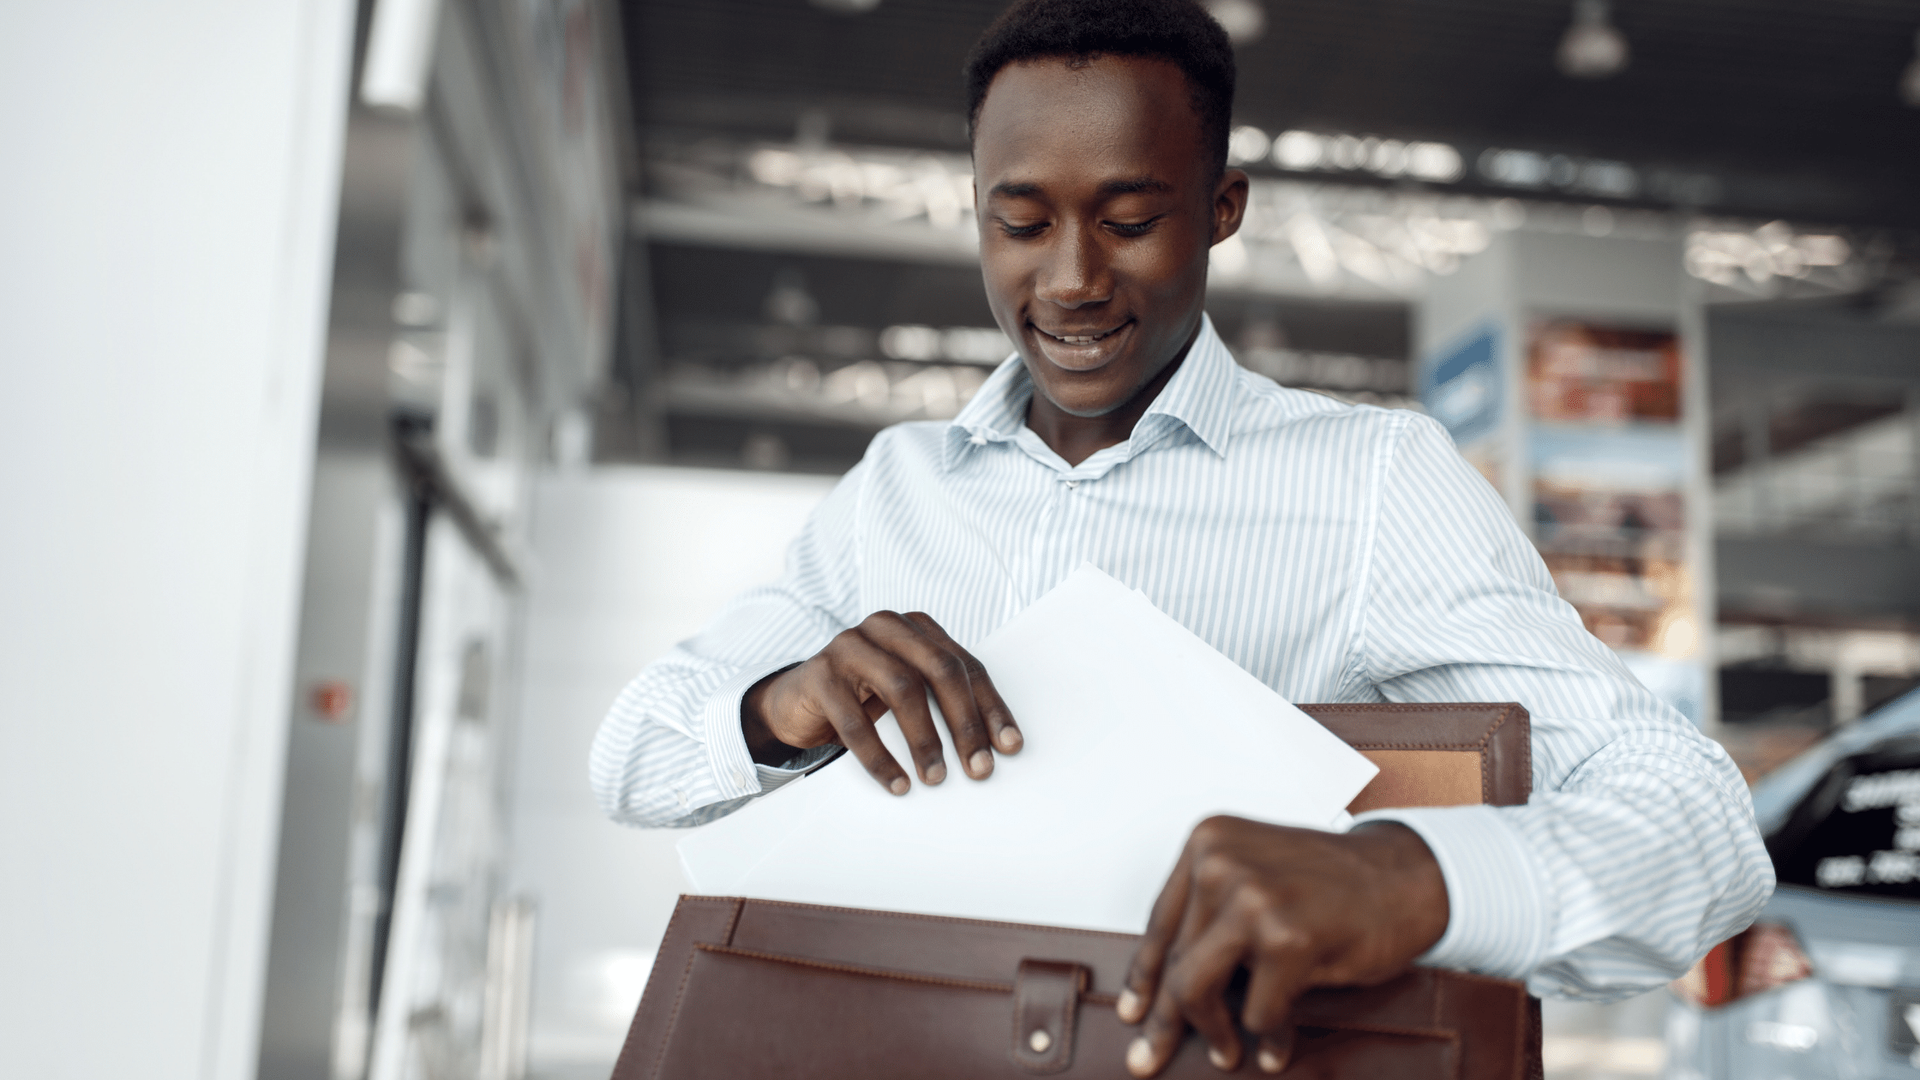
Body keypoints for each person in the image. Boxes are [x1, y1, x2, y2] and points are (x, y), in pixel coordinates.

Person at [591, 0, 1773, 1074]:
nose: (1069, 281)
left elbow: (1703, 825)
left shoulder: (1371, 484)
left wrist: (1409, 877)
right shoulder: (897, 490)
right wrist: (777, 707)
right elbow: (632, 757)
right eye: (1020, 222)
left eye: (1130, 219)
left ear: (1221, 208)